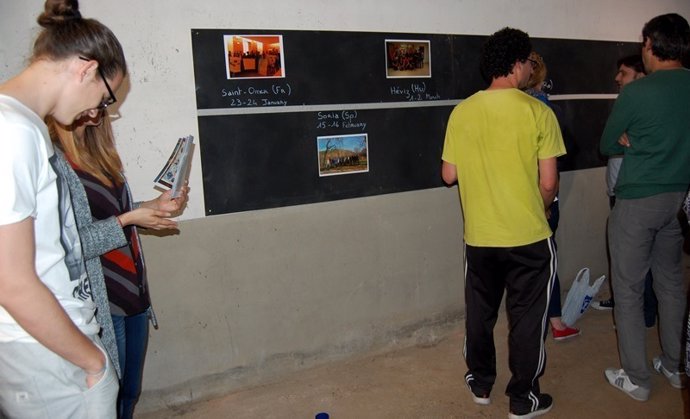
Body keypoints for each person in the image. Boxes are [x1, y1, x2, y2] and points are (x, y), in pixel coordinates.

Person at [0, 0, 126, 417]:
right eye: (105, 98)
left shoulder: (24, 126)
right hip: (42, 352)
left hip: (50, 345)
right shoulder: (12, 132)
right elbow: (12, 281)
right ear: (85, 68)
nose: (97, 112)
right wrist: (94, 361)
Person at [441, 28, 565, 418]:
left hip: (480, 238)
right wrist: (542, 207)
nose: (531, 69)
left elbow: (448, 175)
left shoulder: (462, 112)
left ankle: (480, 382)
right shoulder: (539, 112)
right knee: (528, 319)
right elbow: (549, 183)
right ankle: (522, 401)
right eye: (528, 62)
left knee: (480, 313)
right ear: (515, 65)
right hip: (528, 236)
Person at [51, 111, 188, 419]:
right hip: (101, 301)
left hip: (133, 292)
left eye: (103, 105)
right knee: (107, 395)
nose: (98, 112)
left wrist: (151, 208)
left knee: (129, 391)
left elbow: (114, 215)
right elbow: (69, 244)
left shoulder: (102, 159)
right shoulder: (54, 164)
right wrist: (129, 219)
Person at [600, 13, 690, 401]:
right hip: (678, 200)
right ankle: (674, 365)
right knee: (671, 283)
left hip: (637, 200)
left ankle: (636, 378)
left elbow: (606, 143)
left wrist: (627, 140)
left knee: (629, 288)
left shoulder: (638, 92)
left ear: (651, 46)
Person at [590, 55, 658, 330]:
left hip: (633, 195)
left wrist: (629, 140)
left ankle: (643, 314)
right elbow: (611, 141)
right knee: (628, 259)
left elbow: (618, 143)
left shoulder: (644, 105)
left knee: (638, 262)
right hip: (619, 191)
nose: (617, 79)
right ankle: (630, 305)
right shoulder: (629, 103)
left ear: (640, 76)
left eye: (624, 73)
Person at [524, 51, 580, 341]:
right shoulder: (544, 108)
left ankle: (545, 324)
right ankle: (554, 323)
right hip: (541, 198)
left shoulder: (512, 108)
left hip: (519, 197)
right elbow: (549, 173)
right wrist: (546, 203)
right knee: (546, 259)